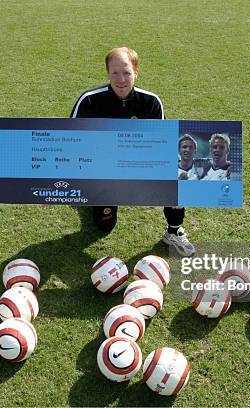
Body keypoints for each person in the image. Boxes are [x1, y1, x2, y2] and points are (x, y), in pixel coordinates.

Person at [70, 47, 195, 256]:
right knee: (104, 226)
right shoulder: (90, 100)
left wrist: (173, 186)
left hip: (139, 165)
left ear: (136, 72)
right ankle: (97, 198)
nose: (121, 79)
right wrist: (54, 187)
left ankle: (173, 231)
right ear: (107, 73)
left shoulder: (151, 102)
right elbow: (70, 141)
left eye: (127, 72)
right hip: (103, 169)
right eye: (115, 73)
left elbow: (162, 146)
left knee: (177, 182)